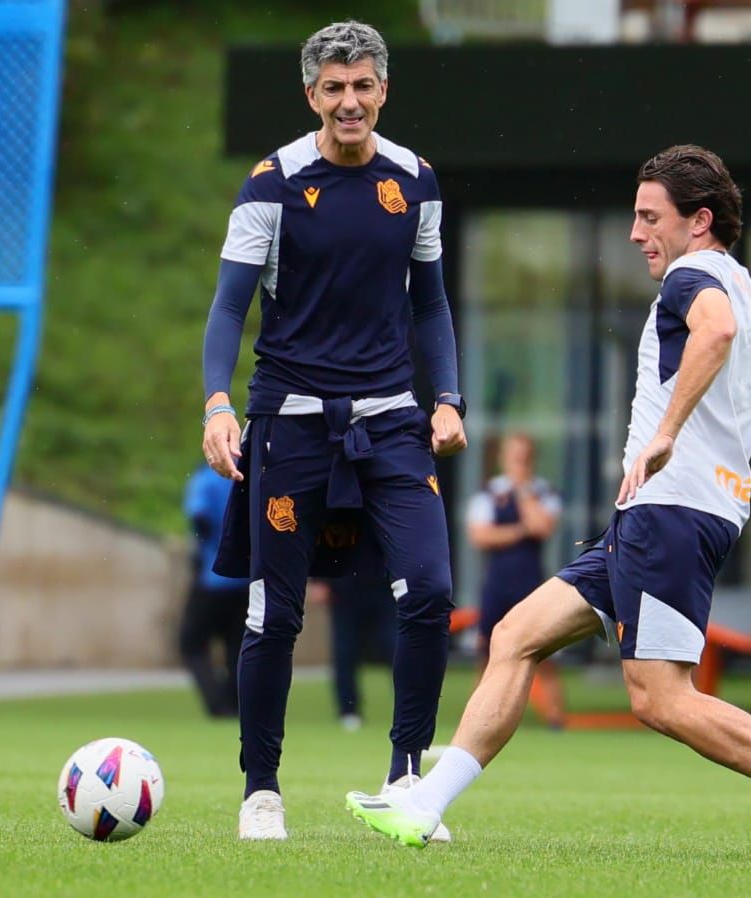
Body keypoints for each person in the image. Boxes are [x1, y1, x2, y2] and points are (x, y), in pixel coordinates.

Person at [347, 145, 751, 863]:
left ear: (701, 221)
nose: (636, 233)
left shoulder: (697, 278)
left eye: (650, 217)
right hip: (664, 517)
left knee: (659, 698)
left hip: (672, 513)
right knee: (517, 636)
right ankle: (424, 804)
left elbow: (712, 333)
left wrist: (664, 433)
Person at [200, 20, 466, 842]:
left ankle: (405, 779)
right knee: (273, 616)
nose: (348, 101)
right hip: (290, 426)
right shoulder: (270, 186)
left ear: (383, 90)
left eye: (362, 86)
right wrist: (216, 404)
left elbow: (430, 303)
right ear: (311, 94)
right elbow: (228, 309)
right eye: (333, 88)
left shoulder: (416, 183)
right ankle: (261, 792)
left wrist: (448, 396)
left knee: (430, 592)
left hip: (391, 424)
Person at [465, 433, 565, 727]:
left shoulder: (543, 492)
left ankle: (555, 716)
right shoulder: (487, 493)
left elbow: (542, 527)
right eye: (513, 455)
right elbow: (481, 536)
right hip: (497, 581)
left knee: (544, 649)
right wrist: (521, 531)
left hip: (531, 581)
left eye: (523, 456)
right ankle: (476, 716)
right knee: (486, 649)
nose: (518, 462)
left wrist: (522, 493)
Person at [180, 464, 249, 717]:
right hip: (245, 578)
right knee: (236, 646)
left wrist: (201, 552)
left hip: (213, 578)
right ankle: (236, 703)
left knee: (191, 643)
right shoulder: (250, 476)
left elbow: (199, 517)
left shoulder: (207, 478)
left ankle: (218, 704)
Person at [308, 573, 396, 731]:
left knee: (397, 649)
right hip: (344, 586)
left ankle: (409, 710)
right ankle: (349, 711)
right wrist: (319, 580)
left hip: (387, 583)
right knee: (344, 652)